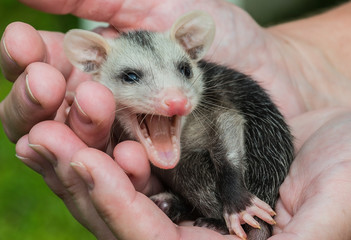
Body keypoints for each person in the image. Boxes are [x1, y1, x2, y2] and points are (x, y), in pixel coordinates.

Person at [1, 0, 351, 239]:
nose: (175, 96)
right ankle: (191, 206)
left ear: (192, 52)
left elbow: (229, 121)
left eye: (184, 70)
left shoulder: (207, 101)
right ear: (93, 65)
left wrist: (234, 194)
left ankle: (226, 209)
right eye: (132, 77)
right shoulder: (108, 105)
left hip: (248, 171)